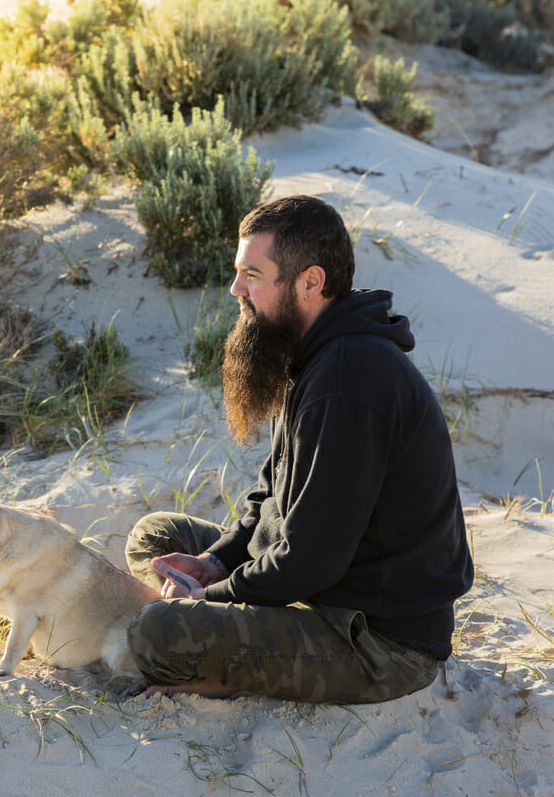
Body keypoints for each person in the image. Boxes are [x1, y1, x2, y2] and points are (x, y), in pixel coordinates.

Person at [124, 194, 474, 703]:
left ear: (310, 282)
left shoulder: (350, 378)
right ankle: (213, 631)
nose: (235, 289)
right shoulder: (313, 353)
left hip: (378, 643)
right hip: (317, 589)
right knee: (155, 536)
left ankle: (215, 671)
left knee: (155, 634)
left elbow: (311, 558)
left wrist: (210, 598)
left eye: (253, 275)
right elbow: (270, 499)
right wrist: (216, 564)